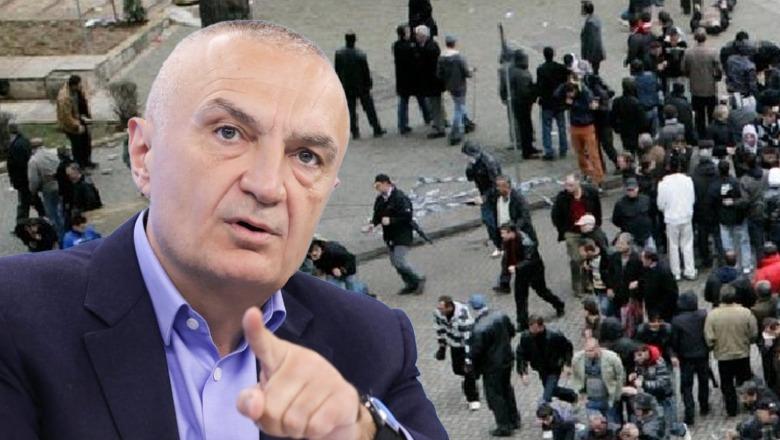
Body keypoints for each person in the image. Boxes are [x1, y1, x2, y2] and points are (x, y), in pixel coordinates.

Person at [0, 21, 447, 439]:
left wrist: (365, 431)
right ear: (143, 154)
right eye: (229, 133)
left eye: (306, 156)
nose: (268, 186)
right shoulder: (15, 317)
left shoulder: (373, 343)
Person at [467, 294, 520, 437]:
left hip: (491, 366)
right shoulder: (501, 315)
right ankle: (514, 419)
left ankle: (504, 425)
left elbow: (476, 352)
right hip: (507, 359)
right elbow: (512, 331)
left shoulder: (478, 328)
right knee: (507, 388)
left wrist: (473, 367)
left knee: (495, 395)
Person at [705, 284, 759, 417]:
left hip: (723, 356)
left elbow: (709, 338)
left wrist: (714, 346)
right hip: (742, 353)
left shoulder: (712, 315)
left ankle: (731, 409)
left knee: (727, 384)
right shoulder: (745, 312)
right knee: (745, 381)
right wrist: (748, 342)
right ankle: (749, 404)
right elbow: (753, 333)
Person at [500, 223, 565, 328]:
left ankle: (559, 304)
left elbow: (530, 259)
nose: (502, 235)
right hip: (521, 271)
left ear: (511, 233)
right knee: (520, 297)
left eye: (503, 233)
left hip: (534, 271)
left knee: (542, 291)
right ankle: (522, 322)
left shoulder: (526, 242)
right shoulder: (507, 242)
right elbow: (506, 258)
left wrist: (516, 267)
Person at [371, 173, 426, 295]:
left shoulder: (400, 197)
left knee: (400, 260)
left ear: (386, 184)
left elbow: (407, 216)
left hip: (402, 234)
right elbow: (377, 215)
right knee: (395, 262)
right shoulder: (380, 199)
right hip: (389, 235)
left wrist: (391, 220)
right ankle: (410, 283)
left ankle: (419, 277)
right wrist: (372, 224)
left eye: (378, 186)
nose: (377, 189)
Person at [551, 173, 602, 297]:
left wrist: (595, 225)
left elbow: (597, 210)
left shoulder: (590, 193)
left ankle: (588, 282)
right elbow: (555, 216)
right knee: (576, 259)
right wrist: (564, 231)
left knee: (590, 256)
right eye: (566, 185)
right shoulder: (562, 198)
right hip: (572, 231)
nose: (568, 188)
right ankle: (577, 287)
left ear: (578, 183)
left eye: (571, 185)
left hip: (588, 230)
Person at [334, 32, 385, 140]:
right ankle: (376, 128)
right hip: (361, 87)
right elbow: (366, 72)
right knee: (369, 109)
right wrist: (369, 84)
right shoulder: (360, 55)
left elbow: (337, 70)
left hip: (347, 86)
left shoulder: (339, 54)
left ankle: (355, 131)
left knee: (351, 110)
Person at [433, 295, 480, 410]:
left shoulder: (463, 318)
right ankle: (472, 376)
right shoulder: (438, 313)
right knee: (457, 369)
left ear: (449, 307)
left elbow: (468, 339)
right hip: (454, 343)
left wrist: (468, 360)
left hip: (466, 343)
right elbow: (440, 328)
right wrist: (442, 347)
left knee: (468, 370)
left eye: (442, 309)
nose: (439, 311)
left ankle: (473, 398)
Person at [671, 291, 711, 425]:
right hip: (702, 355)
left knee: (687, 386)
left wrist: (675, 354)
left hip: (686, 357)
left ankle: (689, 412)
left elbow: (675, 341)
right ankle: (704, 405)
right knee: (703, 381)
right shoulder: (703, 315)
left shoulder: (677, 321)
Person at [555, 79, 605, 186]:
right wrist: (564, 84)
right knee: (580, 153)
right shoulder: (569, 93)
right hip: (575, 126)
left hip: (587, 126)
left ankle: (598, 179)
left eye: (571, 92)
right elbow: (556, 94)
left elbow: (590, 106)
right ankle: (586, 173)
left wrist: (573, 103)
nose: (569, 95)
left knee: (593, 154)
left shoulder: (585, 93)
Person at [516, 315, 576, 403]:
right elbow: (521, 354)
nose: (531, 331)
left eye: (534, 329)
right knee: (552, 390)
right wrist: (523, 372)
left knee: (547, 395)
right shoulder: (526, 337)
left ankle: (545, 405)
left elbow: (567, 348)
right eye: (530, 328)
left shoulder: (554, 335)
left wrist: (567, 364)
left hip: (554, 367)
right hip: (541, 368)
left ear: (541, 327)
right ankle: (572, 396)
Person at [657, 155, 697, 280]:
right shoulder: (688, 180)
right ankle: (690, 270)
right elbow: (692, 198)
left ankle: (676, 272)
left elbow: (660, 204)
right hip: (686, 215)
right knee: (687, 244)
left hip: (671, 218)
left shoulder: (663, 184)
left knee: (673, 246)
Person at [711, 160, 753, 273]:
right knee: (743, 241)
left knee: (728, 244)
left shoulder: (715, 185)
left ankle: (732, 265)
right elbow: (745, 200)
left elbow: (712, 202)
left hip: (724, 219)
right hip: (739, 217)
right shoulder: (736, 182)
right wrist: (734, 202)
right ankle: (746, 265)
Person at [570, 338, 625, 424]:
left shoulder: (612, 358)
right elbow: (575, 376)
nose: (588, 353)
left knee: (612, 423)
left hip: (609, 397)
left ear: (598, 348)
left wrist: (617, 394)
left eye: (591, 350)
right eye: (586, 351)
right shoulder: (578, 358)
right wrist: (579, 393)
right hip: (591, 399)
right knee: (595, 423)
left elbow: (620, 375)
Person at [462, 141, 503, 255]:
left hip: (493, 193)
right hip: (485, 192)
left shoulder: (489, 163)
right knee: (489, 219)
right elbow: (470, 178)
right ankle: (497, 241)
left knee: (492, 219)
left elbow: (497, 184)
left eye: (467, 156)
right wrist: (469, 167)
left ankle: (500, 244)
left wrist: (485, 197)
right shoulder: (474, 163)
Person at [500, 49, 540, 158]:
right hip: (522, 103)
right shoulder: (522, 74)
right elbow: (525, 91)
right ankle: (527, 150)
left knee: (526, 126)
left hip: (518, 102)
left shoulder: (512, 70)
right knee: (525, 127)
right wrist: (534, 93)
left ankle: (529, 147)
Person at [682, 28, 721, 138]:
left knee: (699, 115)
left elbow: (684, 69)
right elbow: (718, 69)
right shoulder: (713, 52)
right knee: (712, 113)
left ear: (695, 38)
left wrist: (690, 75)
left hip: (695, 88)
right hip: (710, 88)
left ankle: (701, 135)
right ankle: (712, 134)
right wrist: (717, 78)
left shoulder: (688, 52)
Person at [437, 34, 475, 145]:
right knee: (459, 108)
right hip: (460, 86)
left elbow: (439, 73)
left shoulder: (441, 58)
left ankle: (465, 121)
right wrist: (471, 71)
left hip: (449, 86)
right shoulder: (459, 58)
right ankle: (456, 131)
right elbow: (466, 72)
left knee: (459, 105)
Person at [393, 23, 429, 134]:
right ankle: (428, 117)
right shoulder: (410, 47)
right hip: (414, 79)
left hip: (402, 80)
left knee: (403, 103)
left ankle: (402, 125)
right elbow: (417, 60)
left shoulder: (396, 46)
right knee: (421, 99)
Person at [536, 47, 571, 160]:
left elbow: (539, 86)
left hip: (547, 102)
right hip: (559, 102)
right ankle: (563, 148)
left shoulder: (541, 69)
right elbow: (567, 79)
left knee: (546, 127)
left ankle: (549, 151)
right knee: (561, 126)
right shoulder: (560, 68)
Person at [27, 138, 64, 241]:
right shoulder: (53, 154)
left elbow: (33, 180)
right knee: (61, 209)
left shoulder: (33, 160)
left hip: (47, 186)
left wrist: (33, 192)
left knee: (52, 213)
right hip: (60, 183)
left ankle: (60, 236)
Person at [6, 123, 44, 222]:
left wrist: (14, 180)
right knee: (33, 199)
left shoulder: (15, 145)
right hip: (27, 177)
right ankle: (44, 216)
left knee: (24, 203)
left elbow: (17, 165)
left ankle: (21, 223)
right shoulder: (24, 141)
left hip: (22, 179)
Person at [56, 75, 95, 169]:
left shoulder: (77, 91)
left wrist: (85, 116)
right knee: (77, 145)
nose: (81, 86)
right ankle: (80, 165)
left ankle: (87, 161)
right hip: (70, 124)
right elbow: (66, 116)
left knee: (86, 141)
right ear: (73, 85)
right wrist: (77, 125)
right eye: (79, 85)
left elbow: (81, 104)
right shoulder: (64, 98)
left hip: (79, 118)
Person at [415, 25, 446, 139]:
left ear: (423, 36)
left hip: (432, 83)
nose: (416, 37)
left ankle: (439, 128)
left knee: (435, 105)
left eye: (418, 35)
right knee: (437, 105)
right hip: (434, 83)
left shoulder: (428, 49)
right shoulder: (431, 46)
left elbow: (424, 66)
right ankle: (440, 124)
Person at [692, 144, 721, 268]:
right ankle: (721, 256)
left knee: (702, 236)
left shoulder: (694, 175)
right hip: (715, 208)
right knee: (718, 234)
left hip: (700, 208)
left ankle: (705, 258)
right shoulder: (717, 172)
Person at [639, 247, 679, 323]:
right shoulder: (646, 268)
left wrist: (659, 310)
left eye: (643, 258)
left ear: (649, 260)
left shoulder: (663, 272)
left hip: (662, 311)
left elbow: (671, 293)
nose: (641, 260)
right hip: (651, 307)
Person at [612, 178, 654, 248]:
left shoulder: (646, 199)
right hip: (630, 238)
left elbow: (652, 214)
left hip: (646, 235)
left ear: (637, 189)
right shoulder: (620, 204)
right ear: (626, 190)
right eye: (629, 190)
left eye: (633, 189)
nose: (631, 192)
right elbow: (615, 220)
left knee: (651, 252)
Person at [610, 78, 647, 157]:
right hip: (636, 131)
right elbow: (643, 120)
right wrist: (643, 131)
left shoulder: (617, 101)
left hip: (624, 131)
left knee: (628, 151)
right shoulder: (637, 103)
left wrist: (617, 128)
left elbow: (612, 118)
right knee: (640, 152)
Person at [580, 1, 605, 76]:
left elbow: (592, 40)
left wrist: (589, 55)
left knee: (593, 70)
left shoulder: (590, 23)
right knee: (595, 69)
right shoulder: (595, 18)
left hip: (592, 51)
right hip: (597, 49)